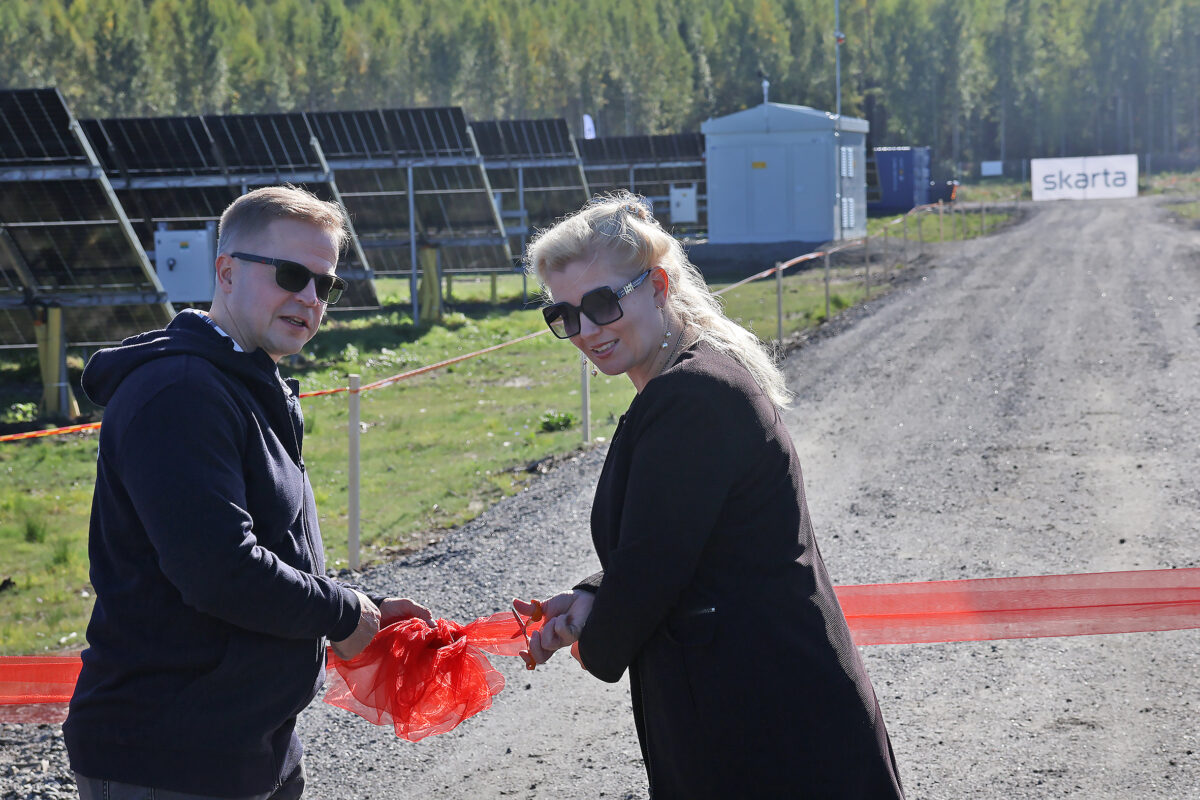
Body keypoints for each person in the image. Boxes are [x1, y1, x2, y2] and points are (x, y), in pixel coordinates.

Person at [515, 192, 905, 798]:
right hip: (755, 707)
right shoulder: (691, 379)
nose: (586, 330)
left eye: (601, 303)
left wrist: (598, 632)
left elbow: (652, 567)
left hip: (768, 726)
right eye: (565, 315)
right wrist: (594, 595)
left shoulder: (692, 396)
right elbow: (677, 537)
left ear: (658, 286)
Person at [64, 185, 431, 799]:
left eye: (326, 284)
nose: (310, 298)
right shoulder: (180, 393)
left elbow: (274, 553)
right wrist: (346, 614)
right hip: (166, 755)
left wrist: (348, 616)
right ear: (226, 272)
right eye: (291, 275)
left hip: (250, 742)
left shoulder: (250, 380)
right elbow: (219, 570)